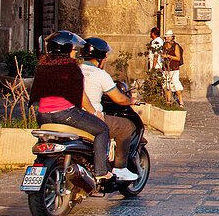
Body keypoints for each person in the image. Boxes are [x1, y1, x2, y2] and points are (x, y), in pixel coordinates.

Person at [30, 31, 115, 186]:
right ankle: (101, 171)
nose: (76, 53)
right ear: (67, 49)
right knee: (102, 129)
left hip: (42, 115)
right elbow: (82, 97)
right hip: (65, 114)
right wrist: (95, 113)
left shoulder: (42, 67)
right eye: (74, 50)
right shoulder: (72, 68)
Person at [79, 37, 140, 182]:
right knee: (126, 126)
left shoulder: (76, 69)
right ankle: (120, 167)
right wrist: (131, 100)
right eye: (104, 57)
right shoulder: (100, 74)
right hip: (92, 117)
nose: (105, 60)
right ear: (100, 58)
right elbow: (118, 98)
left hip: (74, 115)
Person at [160, 30, 185, 108]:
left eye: (168, 36)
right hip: (166, 67)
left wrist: (168, 56)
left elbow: (178, 58)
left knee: (175, 83)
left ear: (172, 37)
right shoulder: (164, 45)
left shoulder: (175, 45)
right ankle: (168, 100)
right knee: (166, 84)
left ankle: (181, 102)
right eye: (166, 37)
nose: (167, 38)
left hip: (174, 68)